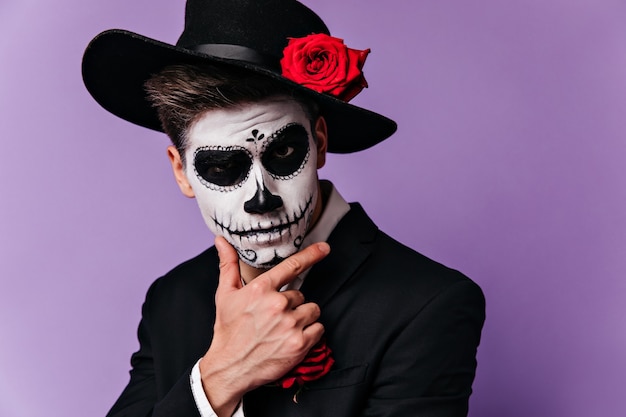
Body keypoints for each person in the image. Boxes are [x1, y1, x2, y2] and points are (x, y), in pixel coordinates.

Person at [82, 1, 486, 416]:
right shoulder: (173, 299)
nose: (263, 198)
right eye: (222, 165)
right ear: (181, 172)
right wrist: (221, 378)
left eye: (285, 152)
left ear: (320, 144)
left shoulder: (427, 303)